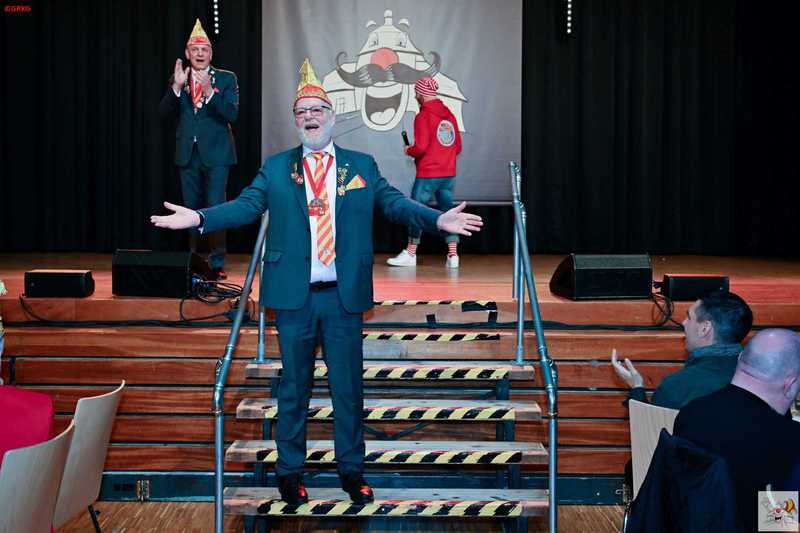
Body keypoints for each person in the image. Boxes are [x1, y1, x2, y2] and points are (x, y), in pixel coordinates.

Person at [151, 59, 482, 505]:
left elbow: (394, 203)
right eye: (301, 111)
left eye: (316, 110)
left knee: (348, 390)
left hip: (343, 299)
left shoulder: (360, 165)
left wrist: (437, 219)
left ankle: (351, 472)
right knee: (294, 390)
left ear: (331, 116)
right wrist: (199, 217)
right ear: (296, 120)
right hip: (294, 299)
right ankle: (289, 473)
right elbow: (246, 206)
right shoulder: (276, 167)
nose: (309, 117)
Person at [673, 328, 800, 532]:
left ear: (740, 360)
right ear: (791, 384)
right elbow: (779, 525)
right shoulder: (789, 441)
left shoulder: (691, 414)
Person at [158, 19, 239, 280]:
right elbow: (163, 113)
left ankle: (216, 262)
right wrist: (176, 87)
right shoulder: (179, 78)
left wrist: (210, 93)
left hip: (217, 154)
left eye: (204, 50)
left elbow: (232, 114)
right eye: (195, 49)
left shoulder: (226, 78)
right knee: (190, 208)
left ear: (211, 54)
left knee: (216, 207)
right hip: (187, 154)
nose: (200, 54)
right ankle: (193, 260)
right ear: (187, 53)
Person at [612, 291, 753, 409]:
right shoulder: (758, 379)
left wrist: (637, 388)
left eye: (689, 317)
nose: (684, 323)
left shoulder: (677, 387)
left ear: (704, 328)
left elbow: (652, 431)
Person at [387, 76, 463, 269]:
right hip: (449, 174)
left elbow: (420, 147)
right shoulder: (450, 115)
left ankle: (411, 253)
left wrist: (409, 150)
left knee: (415, 210)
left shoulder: (423, 117)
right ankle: (453, 255)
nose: (415, 96)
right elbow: (458, 147)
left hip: (428, 174)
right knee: (449, 211)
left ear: (421, 93)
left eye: (416, 93)